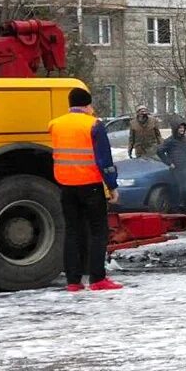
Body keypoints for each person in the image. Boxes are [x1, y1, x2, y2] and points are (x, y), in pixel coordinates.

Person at [48, 87, 123, 292]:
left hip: (66, 186)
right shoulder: (94, 125)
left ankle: (73, 281)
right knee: (98, 232)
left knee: (72, 231)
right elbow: (104, 160)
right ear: (88, 105)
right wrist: (112, 186)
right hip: (90, 186)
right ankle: (98, 279)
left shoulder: (56, 124)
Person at [157, 122, 186, 213]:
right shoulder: (170, 141)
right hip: (175, 169)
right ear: (175, 129)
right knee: (176, 190)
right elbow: (159, 152)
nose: (182, 130)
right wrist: (169, 163)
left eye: (183, 128)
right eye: (180, 128)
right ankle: (175, 209)